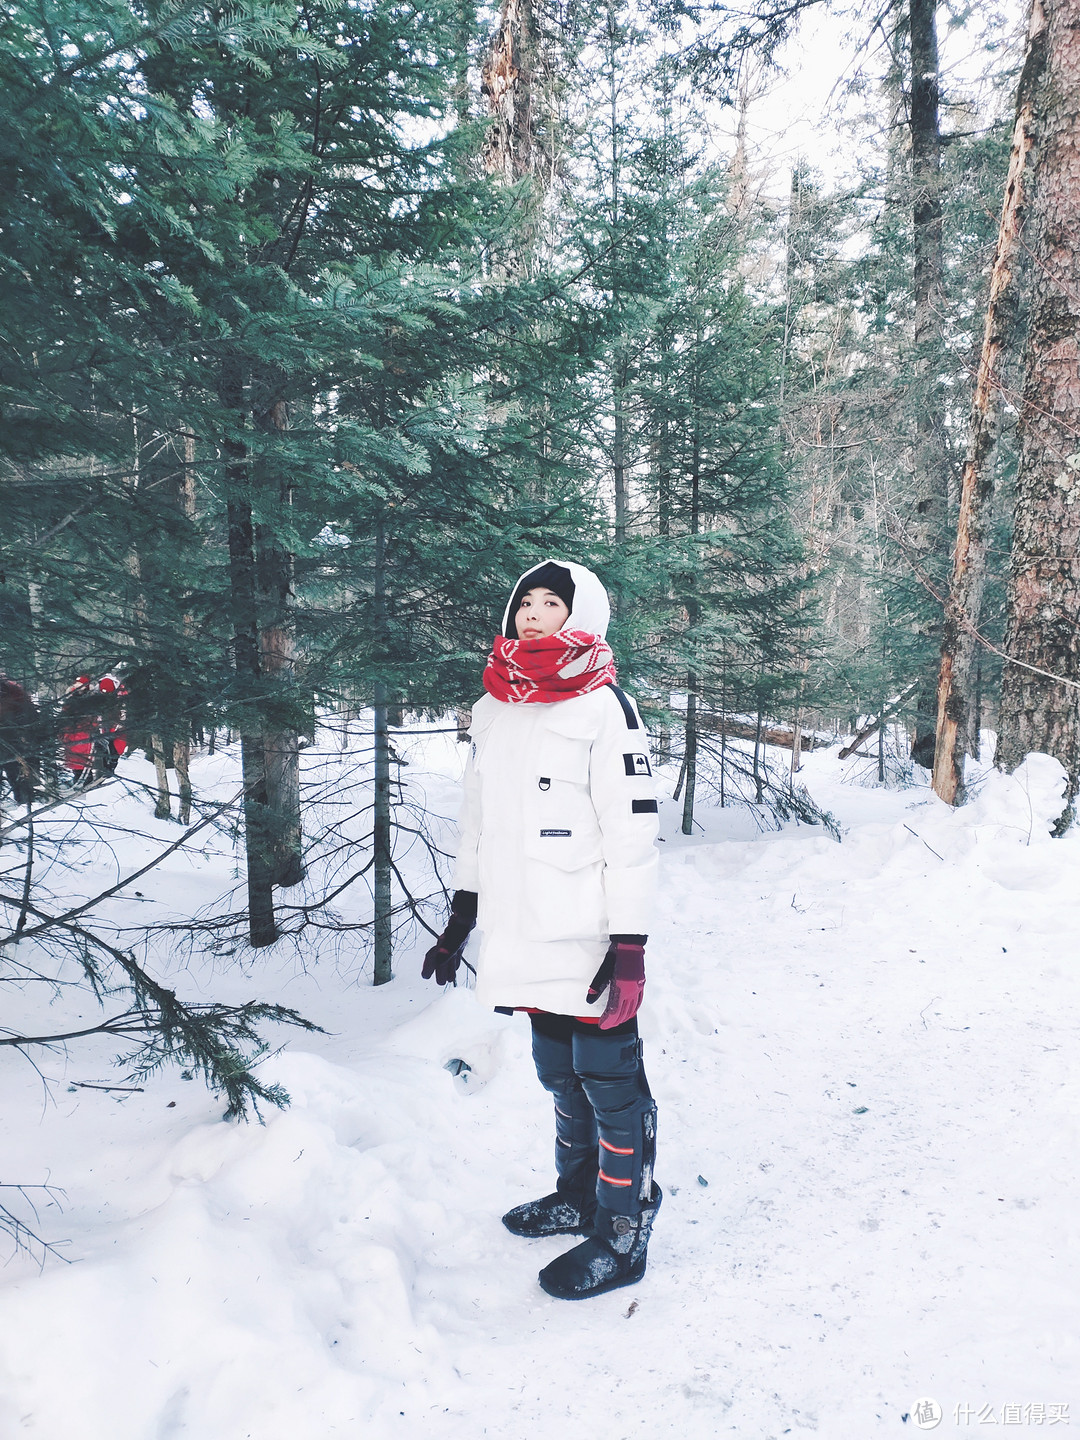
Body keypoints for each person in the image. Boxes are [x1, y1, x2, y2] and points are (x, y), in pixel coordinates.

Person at [423, 560, 662, 1300]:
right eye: (523, 599)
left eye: (551, 602)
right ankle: (580, 1196)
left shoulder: (605, 707)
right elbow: (478, 820)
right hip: (519, 926)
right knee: (558, 1072)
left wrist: (630, 947)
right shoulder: (493, 706)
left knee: (609, 1080)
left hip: (586, 933)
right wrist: (461, 915)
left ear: (582, 612)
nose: (532, 612)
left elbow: (633, 836)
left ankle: (625, 1228)